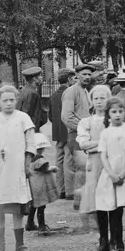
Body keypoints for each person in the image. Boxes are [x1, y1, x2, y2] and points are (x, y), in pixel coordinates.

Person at [0, 85, 36, 251]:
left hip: (16, 169)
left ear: (16, 100)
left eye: (12, 100)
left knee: (17, 208)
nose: (9, 103)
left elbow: (30, 144)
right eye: (5, 100)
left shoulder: (23, 118)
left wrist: (27, 163)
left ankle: (20, 245)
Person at [94, 98, 125, 251]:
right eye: (113, 112)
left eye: (120, 111)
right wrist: (111, 173)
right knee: (112, 209)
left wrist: (123, 173)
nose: (117, 115)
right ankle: (115, 245)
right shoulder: (105, 132)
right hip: (110, 174)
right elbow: (103, 155)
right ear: (108, 114)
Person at [76, 85, 108, 246]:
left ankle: (114, 239)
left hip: (110, 162)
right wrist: (103, 143)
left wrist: (94, 145)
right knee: (96, 199)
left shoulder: (112, 120)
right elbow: (83, 144)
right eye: (96, 98)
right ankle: (103, 240)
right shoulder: (86, 121)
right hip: (94, 163)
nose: (99, 102)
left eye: (103, 98)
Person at [61, 65, 94, 204]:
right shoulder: (71, 92)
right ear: (77, 76)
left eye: (89, 74)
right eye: (84, 74)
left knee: (82, 166)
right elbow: (67, 116)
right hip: (76, 134)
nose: (87, 77)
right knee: (78, 166)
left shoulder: (85, 90)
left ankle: (80, 197)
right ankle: (76, 199)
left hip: (83, 133)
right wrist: (83, 129)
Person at [25, 133, 59, 236]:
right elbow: (45, 167)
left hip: (32, 186)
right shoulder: (39, 157)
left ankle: (29, 223)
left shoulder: (29, 157)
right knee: (41, 206)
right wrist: (54, 168)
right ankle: (42, 226)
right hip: (40, 187)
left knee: (33, 206)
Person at [48, 68, 74, 197]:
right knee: (69, 161)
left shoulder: (53, 95)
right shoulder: (70, 93)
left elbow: (51, 116)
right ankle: (70, 191)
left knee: (59, 160)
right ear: (69, 79)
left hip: (58, 132)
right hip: (68, 131)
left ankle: (60, 190)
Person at [17, 66, 45, 131]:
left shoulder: (24, 90)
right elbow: (28, 114)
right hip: (30, 130)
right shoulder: (32, 93)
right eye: (40, 76)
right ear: (34, 79)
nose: (42, 78)